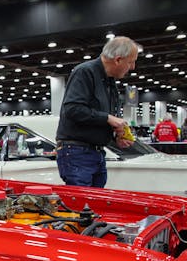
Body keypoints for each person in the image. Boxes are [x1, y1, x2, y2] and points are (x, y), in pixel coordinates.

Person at [55, 36, 138, 187]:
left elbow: (98, 117)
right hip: (77, 153)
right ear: (118, 60)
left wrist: (116, 135)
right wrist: (108, 118)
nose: (132, 67)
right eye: (130, 62)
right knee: (82, 200)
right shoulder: (85, 72)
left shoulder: (109, 81)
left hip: (95, 153)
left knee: (94, 200)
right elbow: (72, 109)